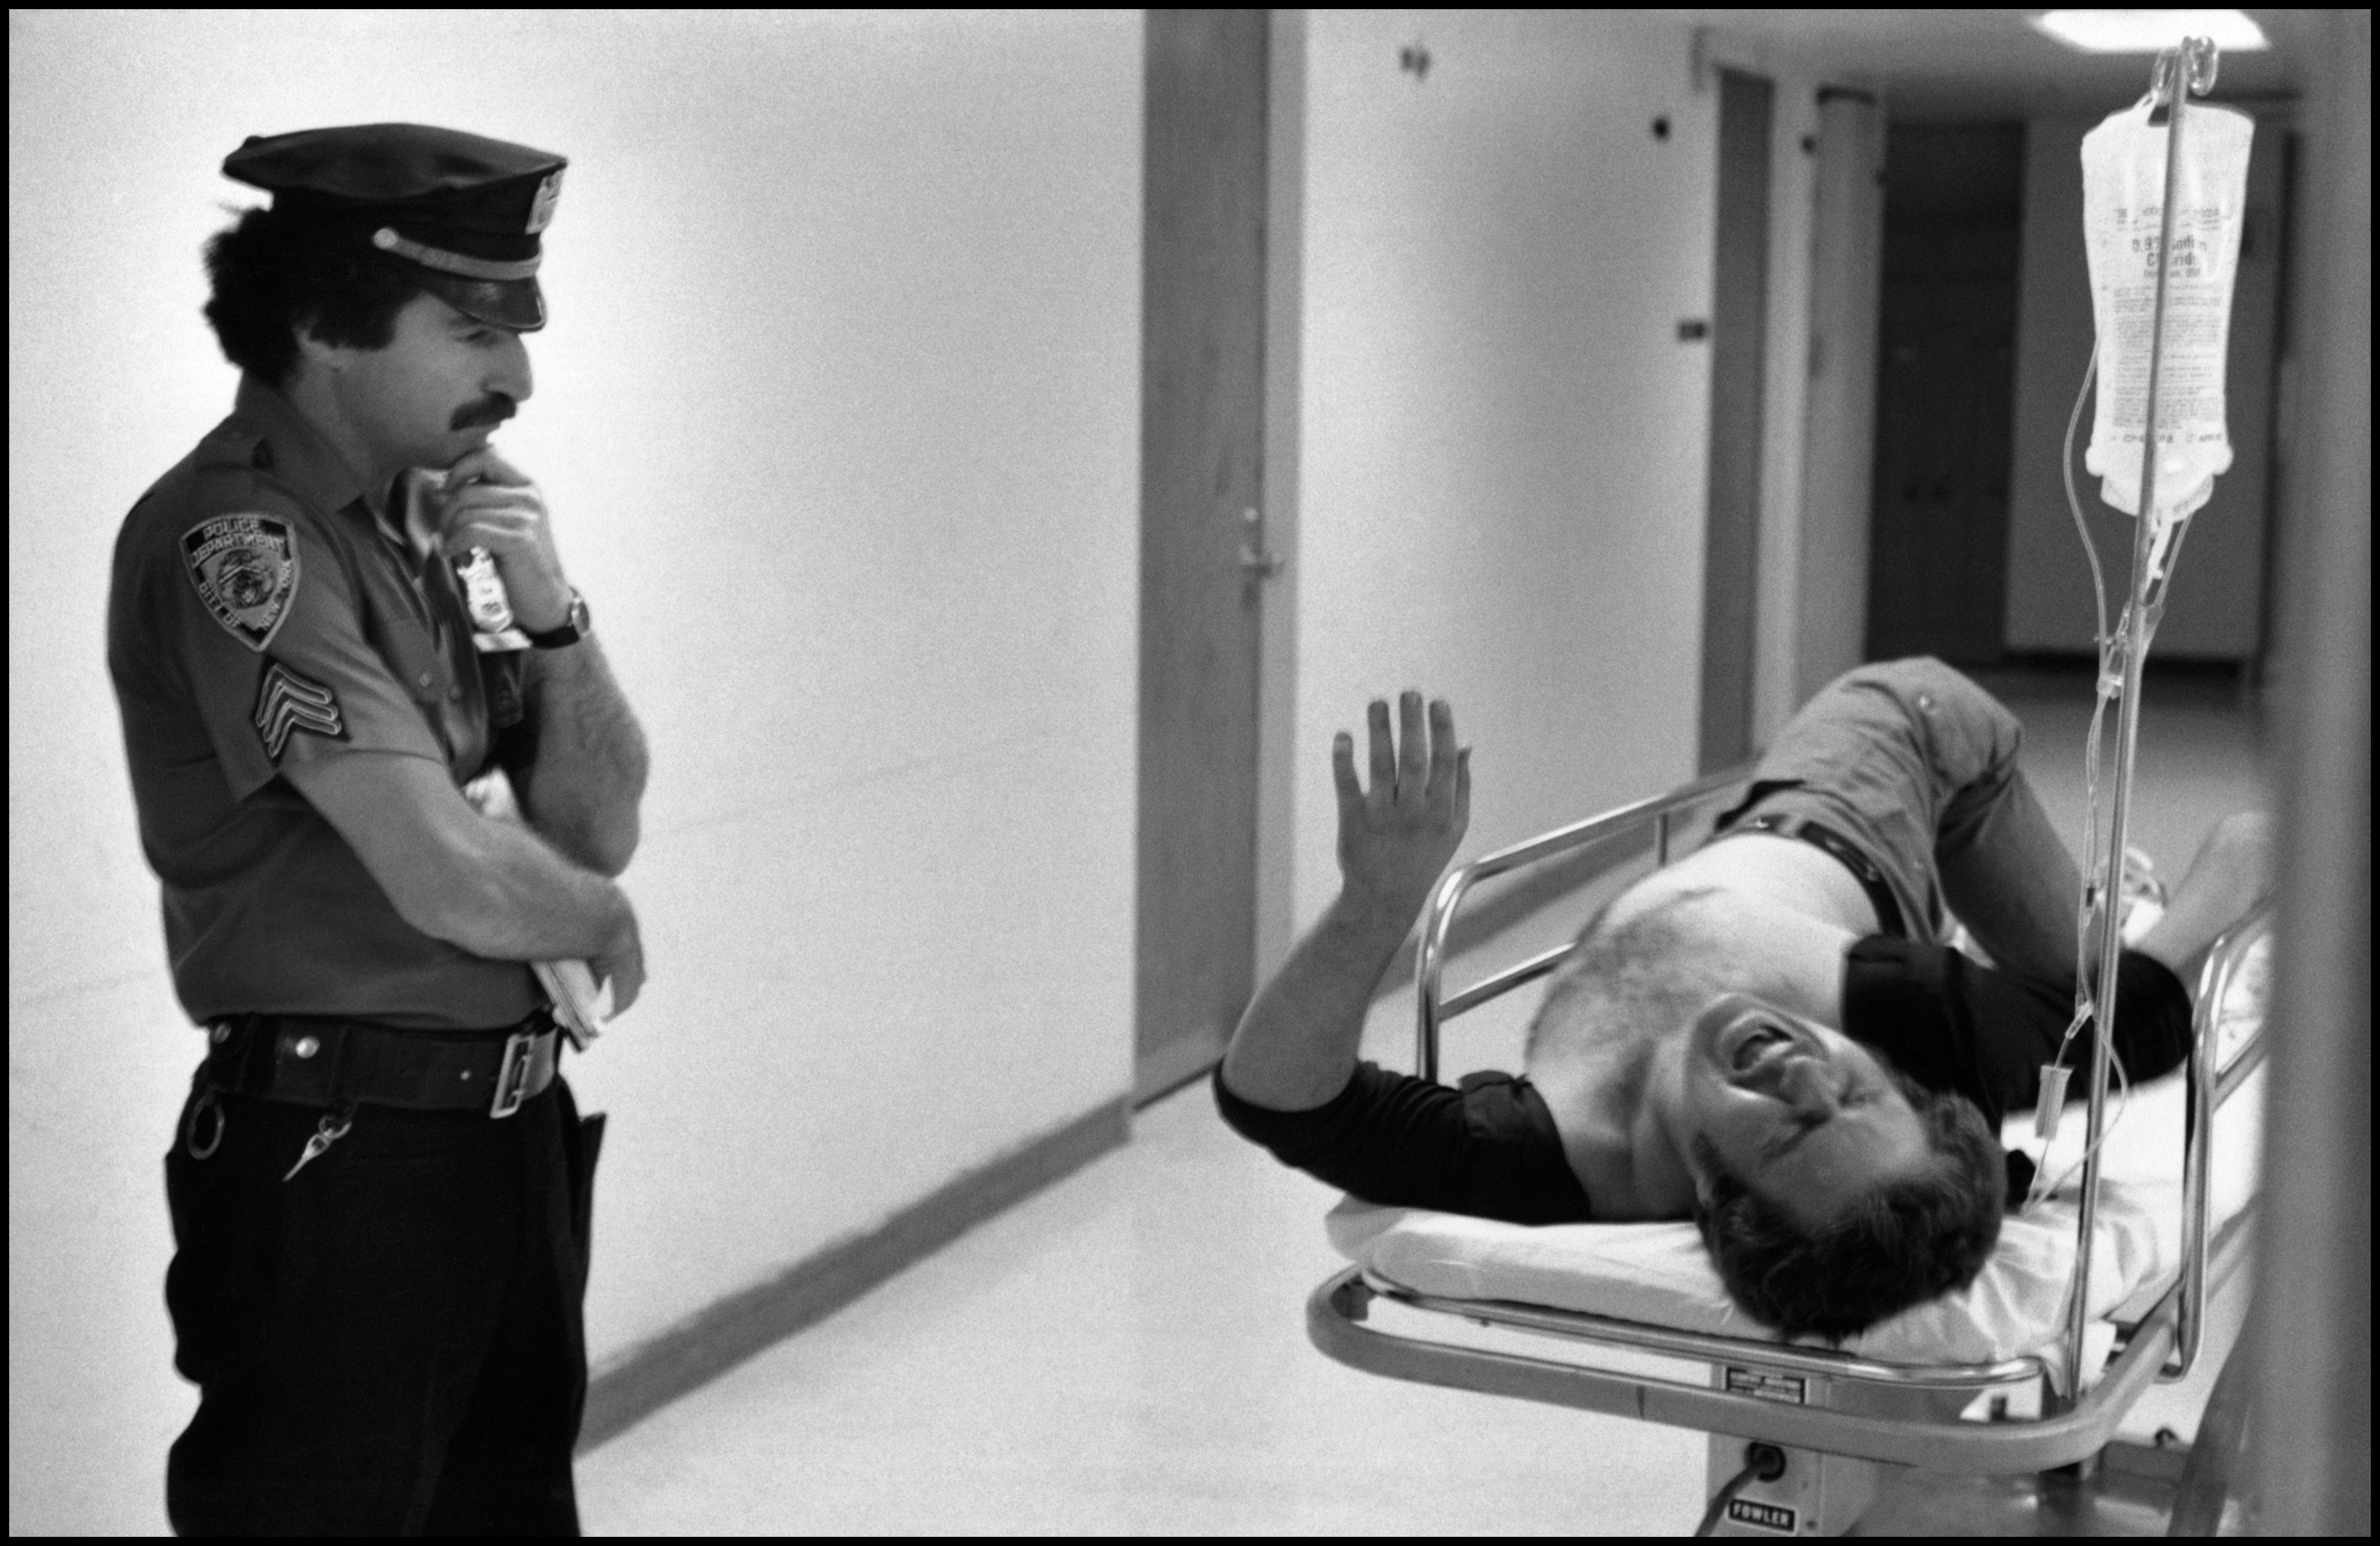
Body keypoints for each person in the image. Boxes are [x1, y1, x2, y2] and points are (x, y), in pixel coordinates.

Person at [107, 122, 649, 1534]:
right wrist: (599, 922)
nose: (518, 376)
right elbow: (450, 873)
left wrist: (554, 615)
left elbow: (593, 826)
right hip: (342, 1157)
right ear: (322, 325)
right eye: (474, 330)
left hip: (501, 1139)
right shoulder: (243, 543)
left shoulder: (426, 527)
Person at [1215, 660, 2273, 1340]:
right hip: (1884, 805)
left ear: (1709, 1199)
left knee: (2039, 948)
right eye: (1854, 1096)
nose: (1805, 1069)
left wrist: (1377, 903)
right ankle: (2113, 908)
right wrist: (2239, 865)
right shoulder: (1904, 1025)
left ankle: (2082, 912)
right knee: (2086, 975)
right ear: (1896, 1080)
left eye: (1793, 1129)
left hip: (1847, 833)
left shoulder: (1543, 1158)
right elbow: (2133, 1029)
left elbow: (1274, 1098)